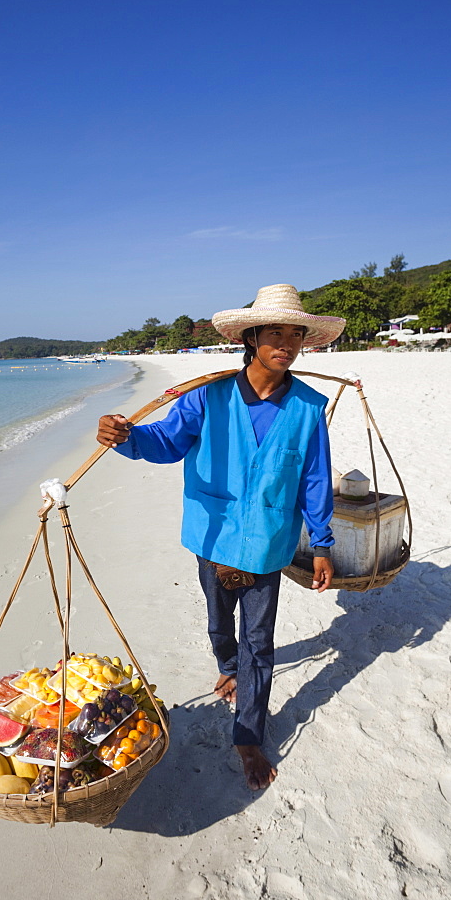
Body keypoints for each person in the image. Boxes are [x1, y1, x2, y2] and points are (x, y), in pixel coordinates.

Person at [97, 284, 346, 791]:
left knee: (261, 640)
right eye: (274, 332)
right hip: (212, 537)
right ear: (251, 337)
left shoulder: (307, 407)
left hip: (269, 541)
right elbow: (164, 442)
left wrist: (321, 543)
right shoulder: (208, 397)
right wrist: (125, 435)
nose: (286, 343)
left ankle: (248, 735)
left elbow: (315, 477)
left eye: (295, 334)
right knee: (219, 622)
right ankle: (226, 666)